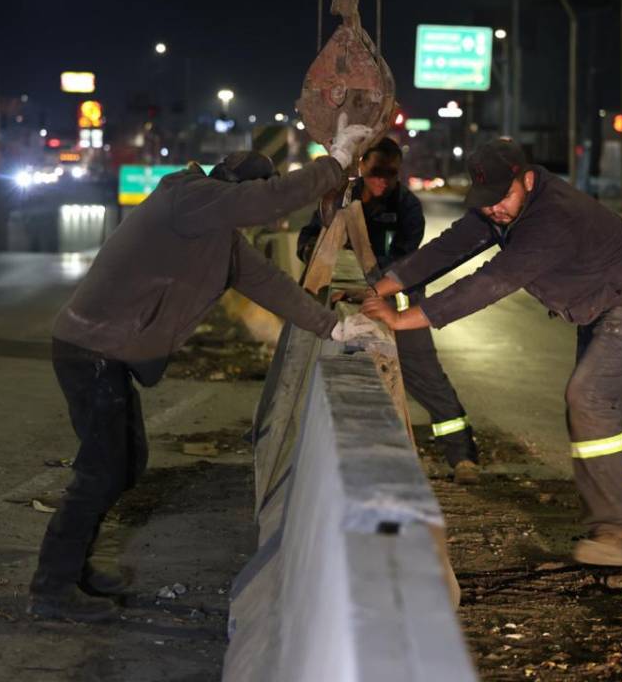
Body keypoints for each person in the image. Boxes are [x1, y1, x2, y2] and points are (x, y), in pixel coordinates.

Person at [30, 122, 380, 622]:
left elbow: (273, 286)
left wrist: (334, 329)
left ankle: (74, 571)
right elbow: (268, 202)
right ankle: (52, 588)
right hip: (90, 350)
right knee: (101, 470)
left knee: (124, 465)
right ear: (230, 190)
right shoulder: (190, 198)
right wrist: (335, 163)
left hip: (106, 353)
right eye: (245, 202)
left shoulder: (221, 237)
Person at [361, 138, 622, 573]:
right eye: (485, 202)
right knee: (609, 420)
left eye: (500, 198)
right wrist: (382, 287)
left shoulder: (552, 217)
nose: (493, 209)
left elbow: (492, 281)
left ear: (527, 179)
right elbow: (450, 247)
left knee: (587, 399)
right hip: (606, 309)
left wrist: (406, 319)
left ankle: (620, 535)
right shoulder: (505, 207)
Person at [297, 137, 480, 483]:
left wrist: (370, 285)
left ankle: (462, 457)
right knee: (339, 377)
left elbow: (407, 262)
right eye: (376, 173)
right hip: (342, 307)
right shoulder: (339, 201)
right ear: (362, 165)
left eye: (390, 175)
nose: (382, 181)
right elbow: (306, 241)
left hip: (398, 304)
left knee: (425, 376)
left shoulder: (407, 206)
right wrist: (320, 255)